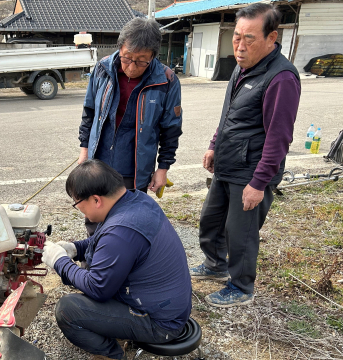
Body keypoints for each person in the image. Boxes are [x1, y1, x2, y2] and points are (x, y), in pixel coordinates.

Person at [190, 3, 302, 307]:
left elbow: (279, 138)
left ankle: (241, 287)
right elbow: (230, 115)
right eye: (236, 37)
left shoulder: (280, 78)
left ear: (271, 37)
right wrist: (214, 144)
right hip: (229, 162)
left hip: (252, 171)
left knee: (241, 234)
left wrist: (259, 182)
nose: (239, 46)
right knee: (210, 222)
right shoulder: (242, 68)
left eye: (248, 38)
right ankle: (215, 265)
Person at [41, 160, 192, 360]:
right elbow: (103, 241)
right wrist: (75, 248)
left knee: (68, 310)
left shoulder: (121, 232)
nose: (78, 209)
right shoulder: (136, 201)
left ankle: (111, 354)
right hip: (165, 306)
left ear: (96, 200)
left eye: (77, 203)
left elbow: (98, 288)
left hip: (160, 323)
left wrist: (60, 262)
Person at [77, 17, 183, 235]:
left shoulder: (166, 80)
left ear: (154, 55)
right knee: (94, 219)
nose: (132, 67)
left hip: (135, 166)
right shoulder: (102, 70)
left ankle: (125, 266)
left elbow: (171, 129)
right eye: (127, 58)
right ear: (120, 48)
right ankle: (92, 266)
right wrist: (84, 151)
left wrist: (163, 168)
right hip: (100, 160)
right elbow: (89, 112)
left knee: (130, 223)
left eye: (142, 60)